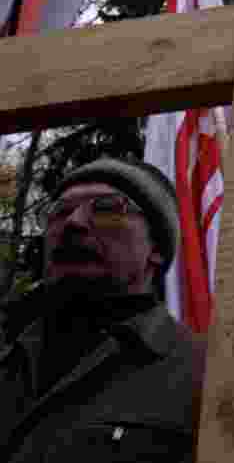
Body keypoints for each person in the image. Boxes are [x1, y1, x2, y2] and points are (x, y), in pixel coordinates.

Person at [0, 157, 201, 462]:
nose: (73, 222)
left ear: (157, 248)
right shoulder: (8, 363)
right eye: (59, 211)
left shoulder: (206, 375)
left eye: (107, 208)